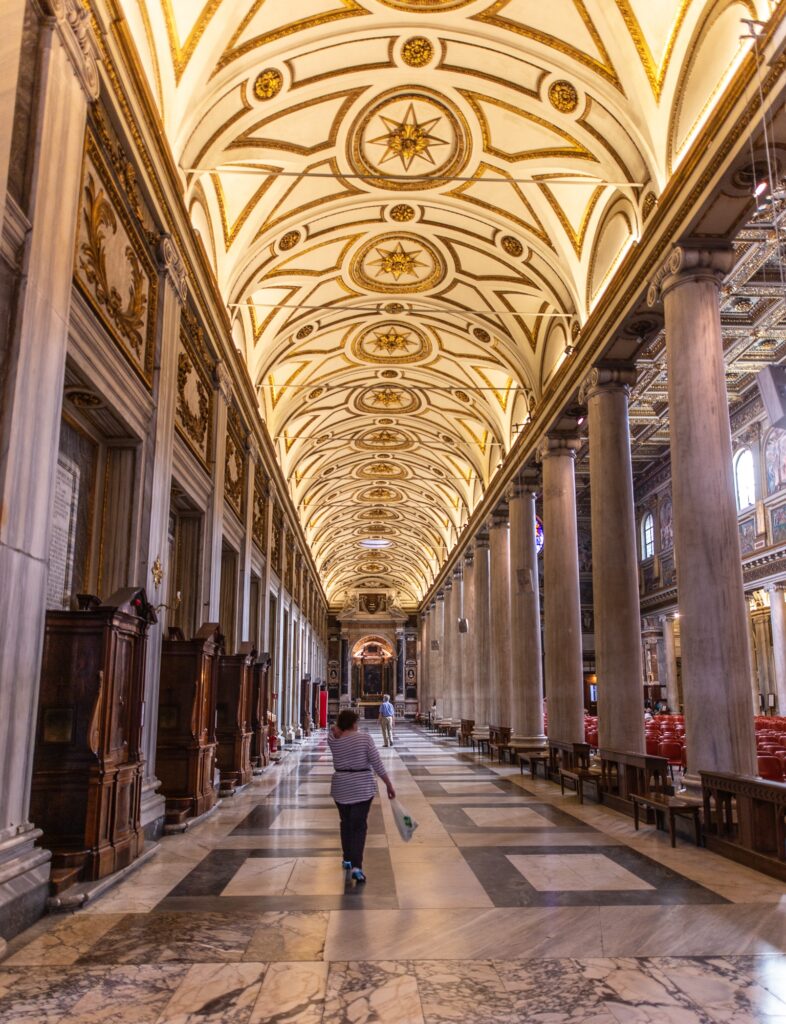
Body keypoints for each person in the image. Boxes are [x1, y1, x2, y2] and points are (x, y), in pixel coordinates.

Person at [328, 709, 395, 884]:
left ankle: (348, 858)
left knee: (346, 822)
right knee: (359, 826)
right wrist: (388, 783)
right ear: (354, 723)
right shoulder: (365, 738)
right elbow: (377, 764)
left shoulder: (333, 740)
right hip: (362, 787)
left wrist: (338, 727)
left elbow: (332, 730)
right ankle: (357, 866)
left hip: (341, 787)